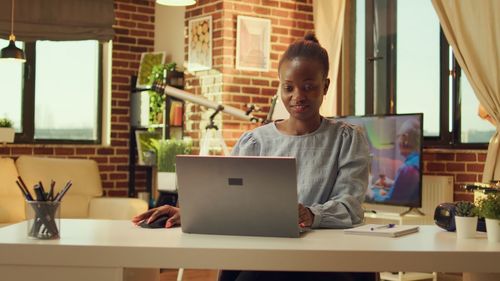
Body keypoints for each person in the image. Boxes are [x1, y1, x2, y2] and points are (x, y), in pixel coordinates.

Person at [132, 33, 374, 281]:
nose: (297, 96)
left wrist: (311, 215)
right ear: (279, 86)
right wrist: (190, 213)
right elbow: (230, 201)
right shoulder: (255, 142)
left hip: (324, 257)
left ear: (325, 86)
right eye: (288, 87)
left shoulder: (347, 139)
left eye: (309, 87)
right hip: (265, 254)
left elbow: (350, 207)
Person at [371, 118, 421, 205]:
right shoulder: (417, 160)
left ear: (405, 138)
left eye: (399, 136)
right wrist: (392, 184)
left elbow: (389, 201)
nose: (398, 141)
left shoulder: (408, 169)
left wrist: (368, 192)